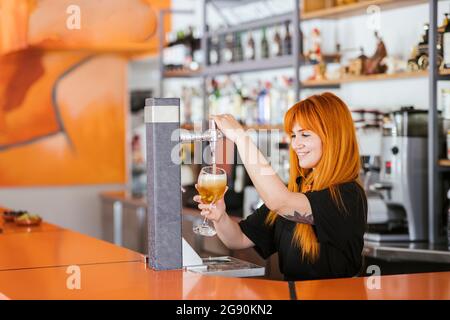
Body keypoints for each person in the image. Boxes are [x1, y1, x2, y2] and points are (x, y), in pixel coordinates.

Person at [194, 92, 367, 281]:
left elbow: (279, 202)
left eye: (305, 135)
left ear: (334, 137)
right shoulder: (297, 189)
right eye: (293, 135)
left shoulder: (348, 195)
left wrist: (241, 139)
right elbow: (238, 238)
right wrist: (220, 217)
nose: (296, 144)